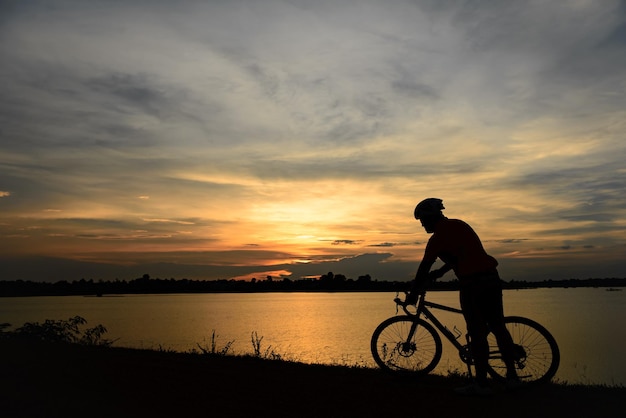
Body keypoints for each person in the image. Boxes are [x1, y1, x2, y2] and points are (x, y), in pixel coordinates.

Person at [405, 198, 520, 396]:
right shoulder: (460, 225)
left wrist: (413, 294)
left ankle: (482, 384)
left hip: (472, 284)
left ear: (430, 217)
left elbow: (424, 268)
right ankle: (512, 378)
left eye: (423, 220)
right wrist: (440, 273)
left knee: (477, 333)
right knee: (497, 326)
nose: (422, 224)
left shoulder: (437, 239)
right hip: (491, 278)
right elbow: (462, 255)